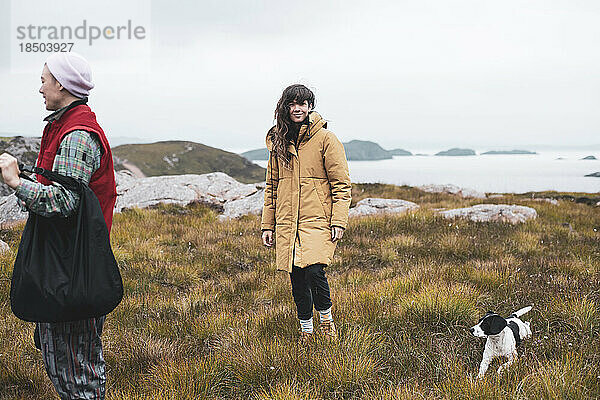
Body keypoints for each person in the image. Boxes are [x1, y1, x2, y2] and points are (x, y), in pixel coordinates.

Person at [0, 52, 116, 399]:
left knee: (75, 365)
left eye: (43, 80)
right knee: (64, 357)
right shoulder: (63, 124)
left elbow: (65, 201)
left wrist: (16, 183)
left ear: (61, 85)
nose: (40, 88)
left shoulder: (78, 134)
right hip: (64, 261)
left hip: (73, 266)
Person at [261, 84, 351, 343]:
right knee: (297, 277)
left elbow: (341, 184)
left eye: (303, 103)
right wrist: (268, 225)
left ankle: (326, 323)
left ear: (310, 106)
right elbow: (272, 186)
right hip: (288, 221)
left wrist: (339, 221)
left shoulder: (326, 139)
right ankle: (306, 330)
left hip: (317, 220)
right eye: (293, 103)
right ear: (286, 107)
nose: (298, 108)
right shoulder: (279, 141)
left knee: (314, 271)